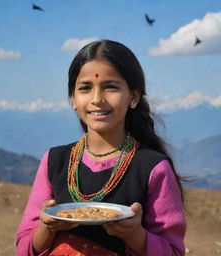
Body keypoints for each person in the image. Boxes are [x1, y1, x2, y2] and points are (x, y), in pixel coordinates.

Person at [16, 39, 186, 256]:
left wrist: (134, 234)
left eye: (111, 87)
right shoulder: (54, 161)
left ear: (133, 96)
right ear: (73, 98)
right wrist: (47, 227)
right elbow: (24, 249)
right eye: (85, 88)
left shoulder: (153, 168)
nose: (97, 99)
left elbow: (173, 252)